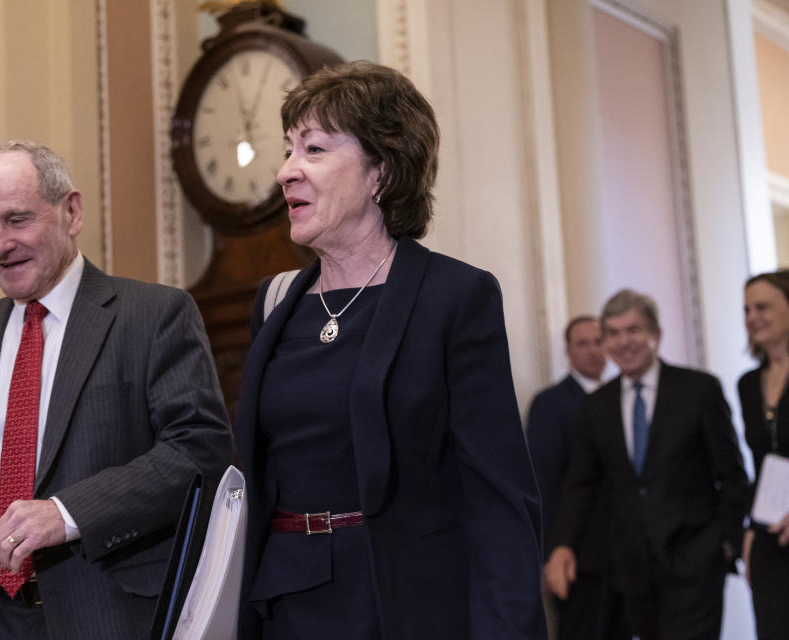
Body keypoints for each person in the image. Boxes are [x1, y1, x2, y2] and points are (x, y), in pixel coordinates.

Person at [233, 61, 546, 639]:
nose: (285, 172)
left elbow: (498, 497)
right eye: (286, 151)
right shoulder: (275, 303)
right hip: (284, 605)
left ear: (380, 169)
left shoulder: (455, 297)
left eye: (314, 149)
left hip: (400, 605)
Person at [0, 141, 232, 639]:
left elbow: (197, 451)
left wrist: (67, 513)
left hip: (107, 613)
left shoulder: (153, 315)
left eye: (17, 219)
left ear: (71, 212)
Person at [544, 289, 749, 640]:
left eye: (633, 330)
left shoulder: (699, 390)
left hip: (695, 560)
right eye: (613, 333)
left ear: (656, 334)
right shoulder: (596, 407)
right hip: (631, 568)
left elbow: (730, 473)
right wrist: (562, 545)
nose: (624, 342)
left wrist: (728, 542)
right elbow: (581, 483)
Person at [527, 316, 629, 640]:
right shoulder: (550, 403)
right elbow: (542, 481)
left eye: (598, 342)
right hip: (576, 559)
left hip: (625, 557)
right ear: (567, 353)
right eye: (582, 344)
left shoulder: (621, 398)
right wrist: (546, 555)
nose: (593, 351)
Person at [739, 270, 789, 640]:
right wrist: (751, 530)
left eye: (763, 307)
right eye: (746, 309)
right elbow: (762, 463)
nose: (752, 317)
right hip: (770, 534)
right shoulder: (747, 383)